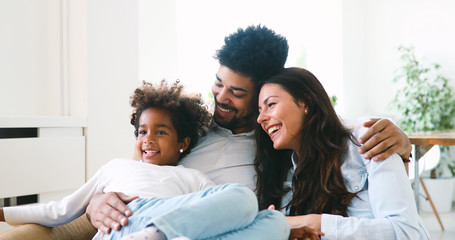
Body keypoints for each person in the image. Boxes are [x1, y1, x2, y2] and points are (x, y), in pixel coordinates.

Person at [85, 25, 413, 235]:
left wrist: (399, 138)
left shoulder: (279, 144)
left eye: (238, 93)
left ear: (262, 93)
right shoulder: (189, 127)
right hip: (147, 218)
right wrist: (98, 199)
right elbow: (136, 167)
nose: (221, 98)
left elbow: (329, 129)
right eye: (218, 83)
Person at [0, 81, 289, 240]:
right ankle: (154, 235)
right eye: (142, 132)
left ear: (183, 143)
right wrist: (3, 214)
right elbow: (59, 210)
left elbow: (218, 212)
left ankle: (159, 234)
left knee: (274, 222)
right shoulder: (115, 168)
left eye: (160, 132)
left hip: (175, 225)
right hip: (128, 221)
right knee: (243, 199)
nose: (148, 139)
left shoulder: (190, 177)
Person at [255, 67, 429, 240]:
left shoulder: (369, 140)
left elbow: (404, 233)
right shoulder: (287, 175)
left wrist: (308, 222)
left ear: (305, 102)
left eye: (271, 104)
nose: (260, 118)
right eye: (259, 110)